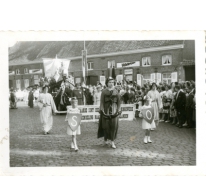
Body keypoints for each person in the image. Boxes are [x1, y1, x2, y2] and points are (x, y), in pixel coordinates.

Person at [97, 77, 121, 149]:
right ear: (107, 83)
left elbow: (119, 102)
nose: (111, 84)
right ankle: (105, 140)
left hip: (114, 109)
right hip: (106, 109)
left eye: (112, 82)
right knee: (105, 126)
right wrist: (101, 109)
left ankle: (112, 141)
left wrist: (119, 110)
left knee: (114, 126)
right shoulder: (104, 91)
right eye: (110, 82)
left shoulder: (116, 91)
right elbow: (102, 102)